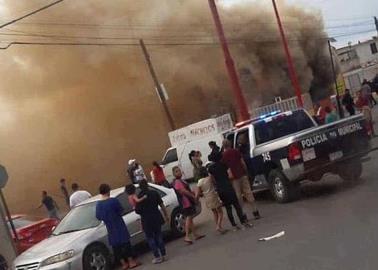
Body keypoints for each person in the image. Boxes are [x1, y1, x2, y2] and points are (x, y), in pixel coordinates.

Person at [96, 184, 139, 270]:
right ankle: (131, 261)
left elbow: (98, 216)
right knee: (126, 243)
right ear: (108, 191)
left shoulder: (99, 204)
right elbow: (121, 210)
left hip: (110, 227)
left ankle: (123, 263)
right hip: (119, 224)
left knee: (116, 246)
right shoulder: (113, 201)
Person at [207, 153, 250, 231]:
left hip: (220, 189)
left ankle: (234, 225)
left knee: (228, 207)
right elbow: (230, 175)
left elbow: (212, 180)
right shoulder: (224, 165)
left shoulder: (210, 168)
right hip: (228, 186)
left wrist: (217, 184)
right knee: (236, 205)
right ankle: (243, 222)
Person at [221, 139, 261, 220]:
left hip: (234, 178)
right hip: (242, 175)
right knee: (248, 193)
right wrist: (246, 172)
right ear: (230, 144)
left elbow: (224, 167)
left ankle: (243, 215)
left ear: (223, 146)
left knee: (238, 196)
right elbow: (242, 162)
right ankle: (255, 212)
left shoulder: (223, 155)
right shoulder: (236, 151)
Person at [135, 180, 169, 264]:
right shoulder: (154, 193)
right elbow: (161, 204)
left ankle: (157, 256)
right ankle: (163, 254)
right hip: (156, 216)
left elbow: (137, 211)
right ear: (147, 185)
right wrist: (166, 215)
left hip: (146, 220)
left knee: (150, 238)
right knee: (158, 235)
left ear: (140, 187)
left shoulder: (140, 197)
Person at [172, 166, 205, 244]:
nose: (179, 172)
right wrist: (193, 196)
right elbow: (184, 191)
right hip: (185, 202)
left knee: (190, 218)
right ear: (173, 174)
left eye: (179, 170)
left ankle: (195, 234)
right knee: (188, 217)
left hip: (187, 201)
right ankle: (187, 236)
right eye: (176, 171)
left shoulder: (181, 181)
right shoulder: (177, 182)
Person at [196, 167, 225, 234]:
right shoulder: (210, 178)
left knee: (214, 212)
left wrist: (197, 199)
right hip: (213, 196)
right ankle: (218, 226)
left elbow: (198, 193)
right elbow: (215, 183)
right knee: (220, 212)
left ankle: (218, 226)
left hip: (207, 198)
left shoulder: (199, 181)